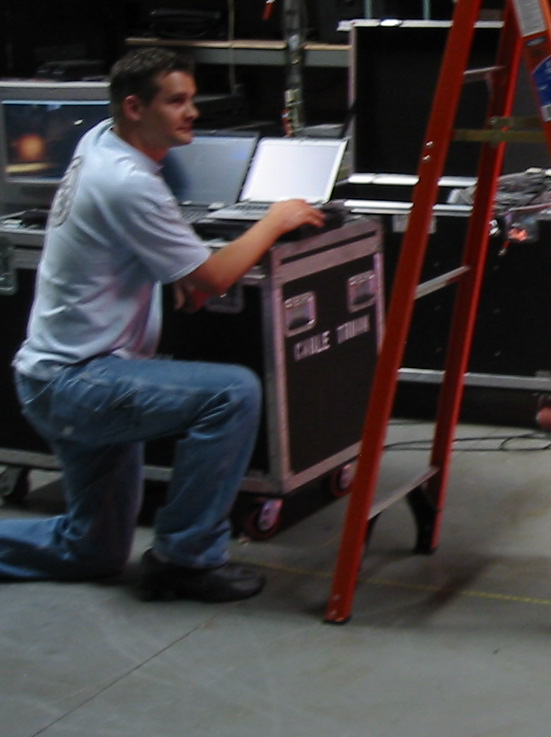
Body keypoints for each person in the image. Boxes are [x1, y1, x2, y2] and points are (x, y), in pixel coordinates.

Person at [0, 47, 325, 600]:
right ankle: (185, 559)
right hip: (79, 383)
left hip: (56, 376)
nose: (192, 112)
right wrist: (274, 220)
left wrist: (170, 266)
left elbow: (127, 241)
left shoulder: (101, 139)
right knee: (233, 394)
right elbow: (214, 279)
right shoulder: (127, 181)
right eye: (176, 101)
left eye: (192, 99)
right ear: (134, 107)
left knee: (93, 550)